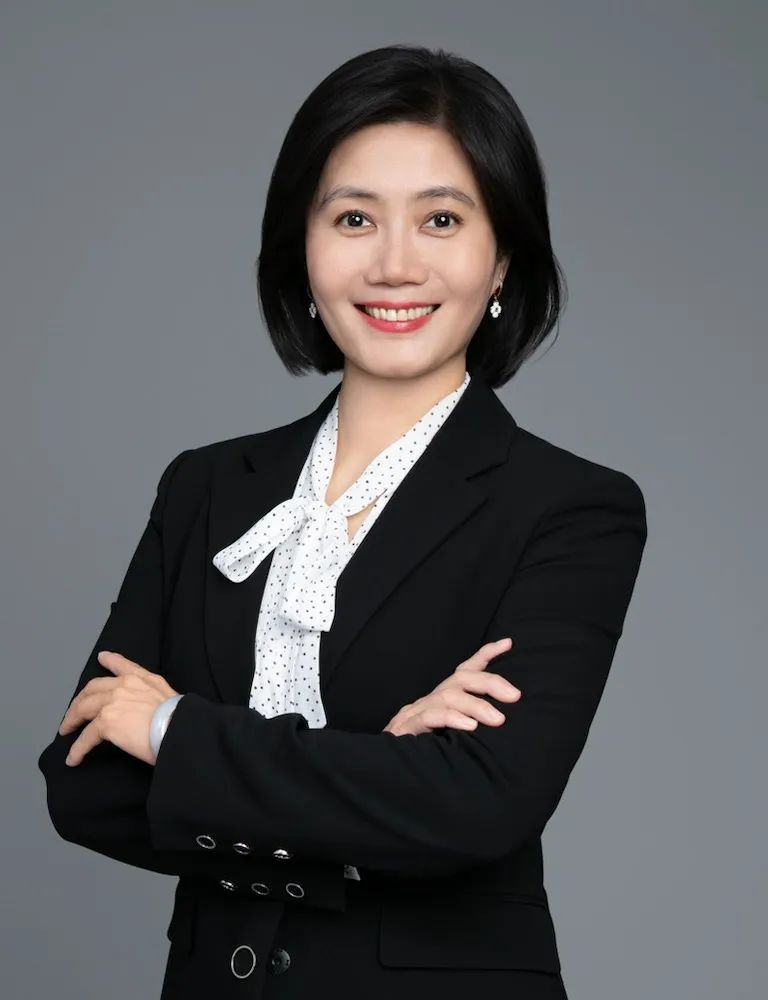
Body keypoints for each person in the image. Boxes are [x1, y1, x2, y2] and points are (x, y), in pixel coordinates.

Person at [38, 43, 648, 1000]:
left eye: (442, 219)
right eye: (354, 218)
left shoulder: (571, 508)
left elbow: (480, 807)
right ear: (303, 248)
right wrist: (381, 768)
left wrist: (170, 730)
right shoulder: (204, 487)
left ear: (502, 259)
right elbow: (84, 787)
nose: (395, 264)